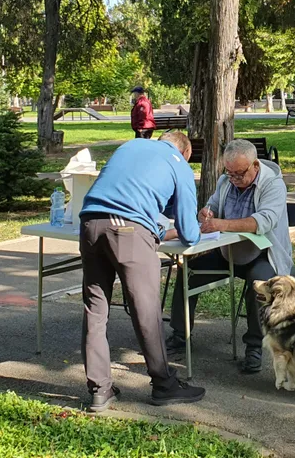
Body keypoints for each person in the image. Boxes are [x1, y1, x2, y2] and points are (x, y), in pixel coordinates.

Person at [79, 131, 205, 411]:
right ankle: (164, 384)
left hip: (89, 224)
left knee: (95, 309)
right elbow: (188, 231)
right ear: (185, 153)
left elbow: (129, 191)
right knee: (146, 310)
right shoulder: (178, 162)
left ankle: (100, 390)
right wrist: (195, 230)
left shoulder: (131, 146)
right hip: (127, 231)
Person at [165, 139, 293, 374]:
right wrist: (207, 212)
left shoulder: (273, 184)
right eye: (229, 172)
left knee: (259, 287)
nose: (233, 178)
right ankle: (180, 335)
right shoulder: (226, 181)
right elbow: (211, 206)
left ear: (255, 165)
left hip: (264, 253)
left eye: (239, 174)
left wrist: (221, 223)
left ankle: (253, 347)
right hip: (229, 252)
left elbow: (262, 221)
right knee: (189, 272)